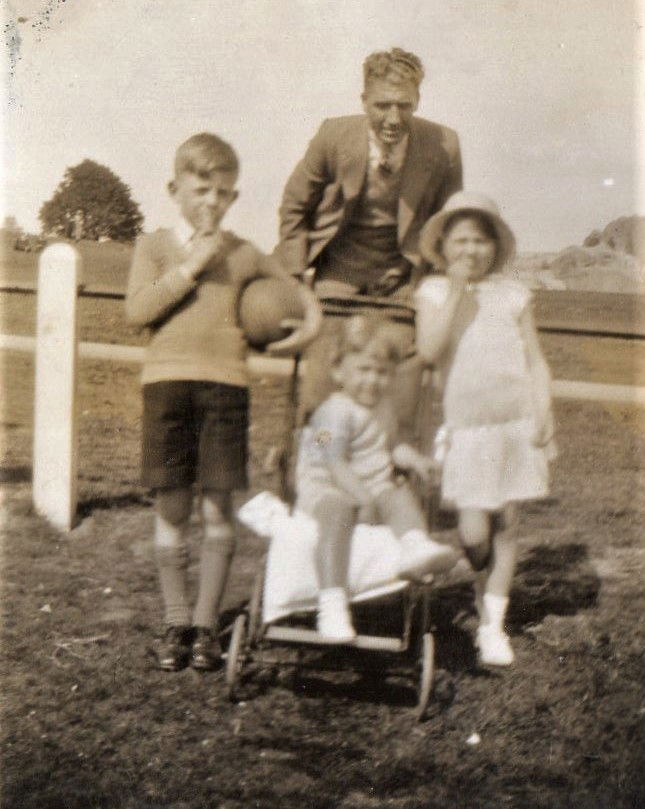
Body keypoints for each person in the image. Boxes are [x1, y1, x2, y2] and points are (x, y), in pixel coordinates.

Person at [125, 132, 322, 671]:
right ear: (175, 188)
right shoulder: (155, 245)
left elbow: (298, 295)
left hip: (225, 389)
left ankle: (207, 626)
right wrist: (190, 267)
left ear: (234, 198)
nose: (212, 202)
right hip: (167, 386)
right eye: (202, 189)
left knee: (216, 509)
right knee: (172, 505)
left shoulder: (243, 252)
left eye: (224, 193)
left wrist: (300, 331)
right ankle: (175, 621)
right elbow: (137, 311)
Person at [275, 47, 463, 422]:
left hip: (401, 288)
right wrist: (296, 279)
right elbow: (295, 206)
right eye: (382, 105)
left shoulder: (443, 145)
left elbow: (450, 226)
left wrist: (438, 291)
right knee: (322, 397)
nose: (393, 118)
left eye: (404, 106)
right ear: (364, 101)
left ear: (417, 101)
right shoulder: (334, 136)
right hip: (336, 284)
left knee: (391, 401)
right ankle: (317, 466)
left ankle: (381, 474)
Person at [414, 191, 556, 666]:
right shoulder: (432, 292)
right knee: (474, 532)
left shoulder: (515, 295)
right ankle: (480, 587)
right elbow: (430, 352)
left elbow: (535, 361)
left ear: (494, 247)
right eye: (461, 241)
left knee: (509, 524)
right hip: (468, 430)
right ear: (444, 246)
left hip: (513, 425)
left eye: (480, 241)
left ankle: (493, 624)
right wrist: (455, 292)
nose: (470, 251)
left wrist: (544, 409)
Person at [295, 314, 458, 642]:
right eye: (363, 370)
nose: (372, 381)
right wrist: (361, 498)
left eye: (381, 373)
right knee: (339, 509)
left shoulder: (383, 406)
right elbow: (331, 459)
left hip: (370, 482)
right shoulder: (332, 411)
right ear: (338, 372)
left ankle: (415, 546)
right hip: (326, 484)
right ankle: (332, 604)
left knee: (398, 494)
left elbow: (392, 444)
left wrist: (416, 461)